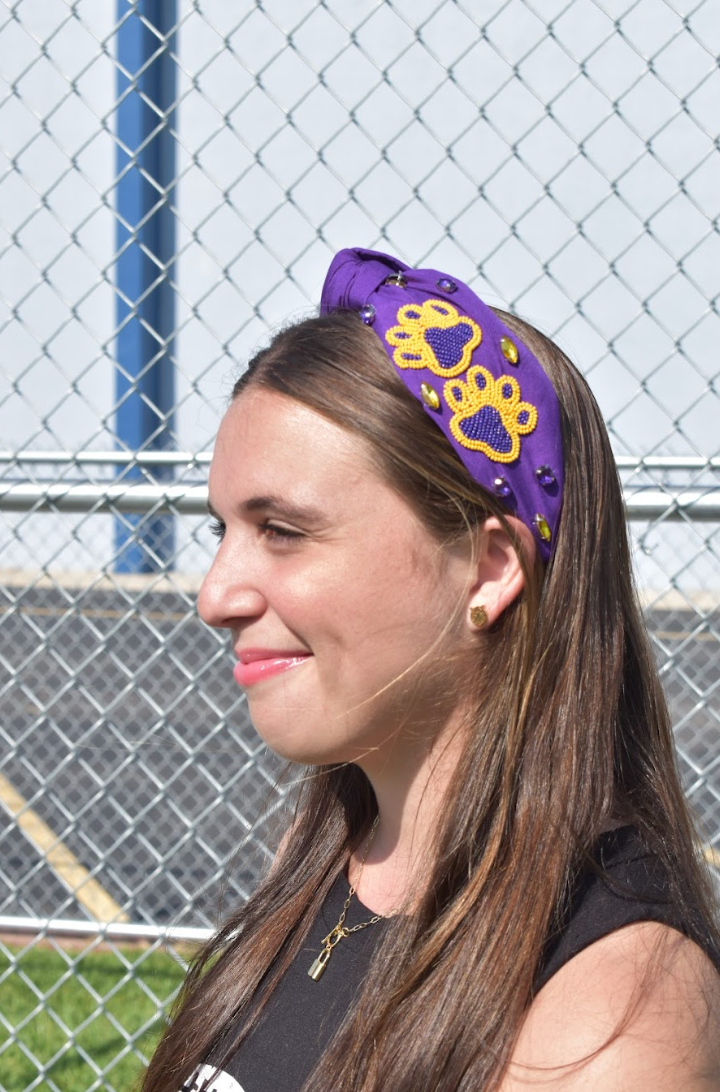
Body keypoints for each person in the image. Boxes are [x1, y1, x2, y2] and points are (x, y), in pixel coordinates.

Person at [141, 248, 720, 1092]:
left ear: (488, 569)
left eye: (284, 531)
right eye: (220, 530)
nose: (216, 595)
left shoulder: (613, 1009)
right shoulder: (328, 871)